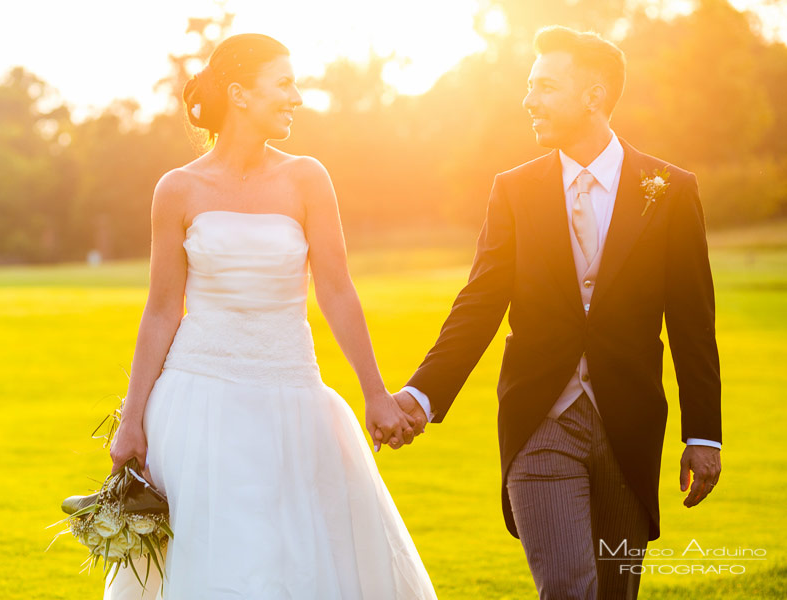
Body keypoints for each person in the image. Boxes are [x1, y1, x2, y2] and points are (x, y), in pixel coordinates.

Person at [391, 26, 722, 599]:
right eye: (529, 85)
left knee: (616, 591)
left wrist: (704, 435)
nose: (529, 100)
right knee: (568, 587)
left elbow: (693, 321)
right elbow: (479, 305)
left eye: (544, 86)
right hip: (539, 421)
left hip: (630, 425)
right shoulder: (514, 191)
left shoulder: (670, 190)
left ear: (593, 96)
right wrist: (421, 395)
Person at [103, 33, 436, 599]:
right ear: (239, 94)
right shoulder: (177, 189)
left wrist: (375, 393)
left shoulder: (308, 178)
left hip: (292, 395)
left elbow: (336, 291)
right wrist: (132, 418)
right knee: (216, 557)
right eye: (284, 84)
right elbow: (162, 310)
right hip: (197, 400)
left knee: (295, 559)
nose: (297, 97)